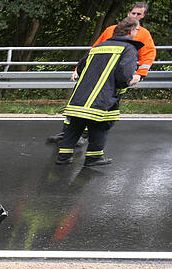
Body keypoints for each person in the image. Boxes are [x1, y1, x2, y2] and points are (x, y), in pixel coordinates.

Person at [48, 2, 156, 143]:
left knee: (99, 108)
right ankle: (67, 133)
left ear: (143, 16)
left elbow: (148, 55)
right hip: (95, 75)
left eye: (138, 14)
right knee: (78, 104)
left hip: (114, 79)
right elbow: (94, 50)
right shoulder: (110, 30)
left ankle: (84, 136)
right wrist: (78, 70)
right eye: (133, 13)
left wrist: (140, 74)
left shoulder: (143, 34)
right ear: (128, 13)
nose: (135, 16)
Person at [55, 17, 142, 167]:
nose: (137, 32)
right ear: (131, 31)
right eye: (137, 30)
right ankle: (93, 158)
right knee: (100, 125)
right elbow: (123, 74)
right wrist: (126, 84)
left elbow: (81, 67)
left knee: (75, 125)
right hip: (103, 96)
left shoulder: (99, 47)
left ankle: (63, 157)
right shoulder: (129, 49)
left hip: (80, 95)